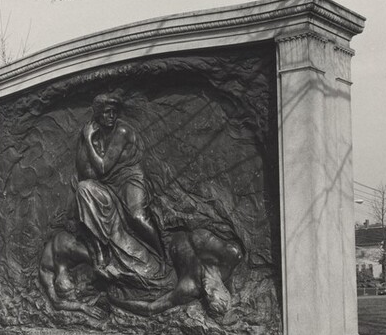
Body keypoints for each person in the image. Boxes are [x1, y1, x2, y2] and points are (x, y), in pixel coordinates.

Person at [75, 94, 165, 288]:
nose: (112, 116)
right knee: (83, 190)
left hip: (130, 179)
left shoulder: (122, 131)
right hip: (109, 183)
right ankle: (106, 254)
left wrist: (88, 140)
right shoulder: (99, 133)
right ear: (98, 114)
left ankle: (164, 257)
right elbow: (87, 171)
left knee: (137, 217)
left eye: (114, 112)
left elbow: (102, 167)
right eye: (107, 112)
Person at [108, 229, 242, 318]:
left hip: (161, 246)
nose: (207, 291)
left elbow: (151, 308)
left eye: (207, 299)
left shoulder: (189, 288)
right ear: (224, 291)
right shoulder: (229, 258)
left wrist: (117, 302)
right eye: (213, 293)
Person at [38, 230, 105, 319]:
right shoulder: (47, 273)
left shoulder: (67, 248)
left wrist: (99, 262)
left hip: (67, 246)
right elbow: (56, 302)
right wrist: (82, 307)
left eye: (73, 279)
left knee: (99, 263)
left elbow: (98, 260)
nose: (85, 281)